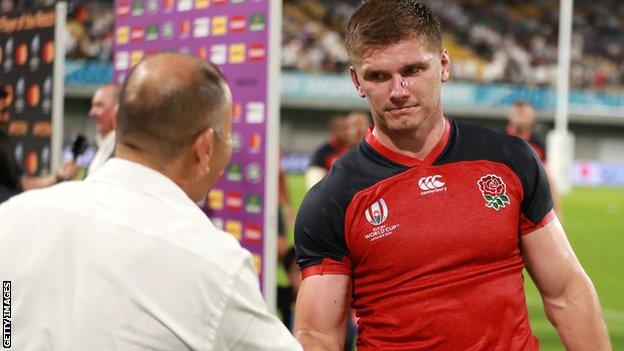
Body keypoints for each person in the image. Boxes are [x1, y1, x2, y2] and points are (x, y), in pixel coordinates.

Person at [293, 1, 610, 350]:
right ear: (356, 80)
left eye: (412, 70)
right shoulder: (332, 200)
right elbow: (318, 337)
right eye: (378, 76)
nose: (398, 91)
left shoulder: (510, 160)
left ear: (443, 65)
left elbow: (567, 292)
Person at [0, 53, 302, 350]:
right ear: (205, 148)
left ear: (118, 122)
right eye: (229, 139)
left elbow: (6, 325)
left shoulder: (14, 216)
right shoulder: (214, 264)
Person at [0, 84, 79, 204]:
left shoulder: (3, 142)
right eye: (2, 111)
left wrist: (58, 175)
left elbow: (22, 184)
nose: (6, 118)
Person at [506, 100, 561, 217]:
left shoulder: (538, 146)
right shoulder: (497, 140)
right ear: (510, 115)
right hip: (503, 203)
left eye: (524, 113)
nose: (520, 114)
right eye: (518, 112)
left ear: (533, 117)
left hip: (529, 208)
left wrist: (556, 209)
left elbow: (547, 177)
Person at [305, 113, 363, 189]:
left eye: (349, 128)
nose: (348, 132)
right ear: (334, 130)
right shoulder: (321, 154)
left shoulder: (355, 149)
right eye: (344, 129)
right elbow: (314, 187)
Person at [87, 83, 120, 175]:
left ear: (117, 109)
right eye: (92, 106)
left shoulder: (126, 153)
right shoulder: (102, 147)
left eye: (99, 105)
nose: (91, 113)